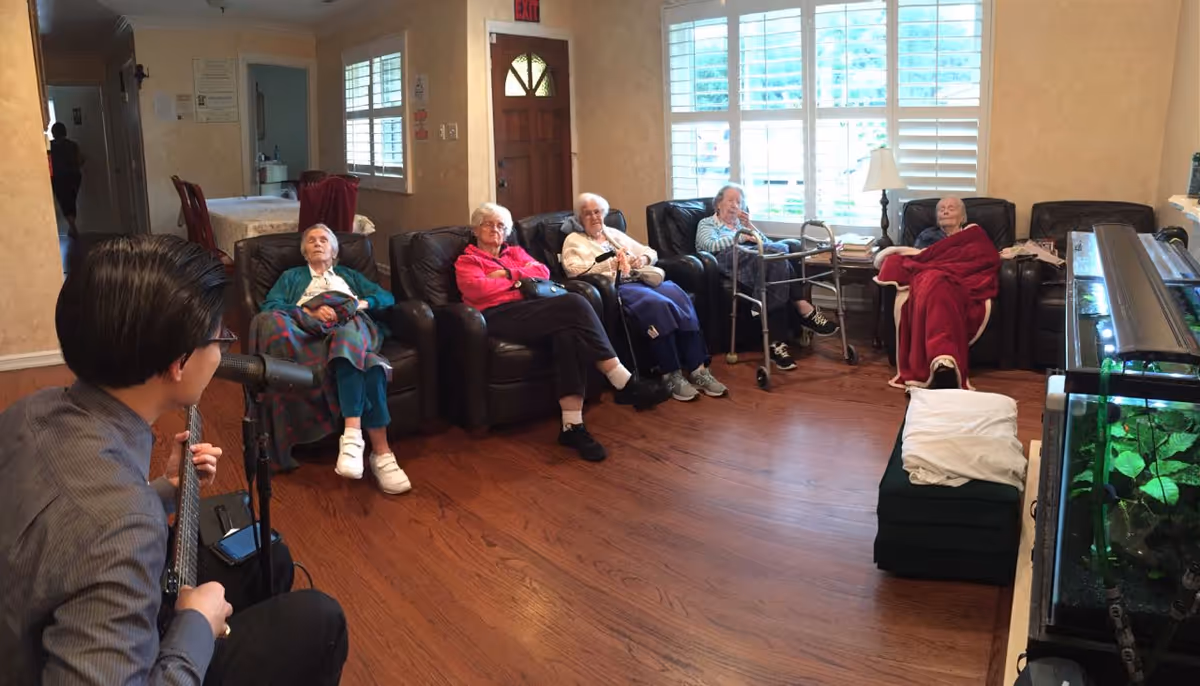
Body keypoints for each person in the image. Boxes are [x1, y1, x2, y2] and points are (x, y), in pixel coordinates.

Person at [0, 234, 348, 684]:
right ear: (178, 363)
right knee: (320, 619)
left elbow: (63, 531)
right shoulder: (122, 527)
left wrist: (163, 490)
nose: (223, 349)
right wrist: (195, 627)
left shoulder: (31, 410)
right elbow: (101, 532)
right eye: (219, 335)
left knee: (271, 558)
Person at [455, 202, 663, 462]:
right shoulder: (468, 260)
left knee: (567, 334)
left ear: (507, 231)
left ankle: (572, 426)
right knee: (574, 302)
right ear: (476, 229)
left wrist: (507, 275)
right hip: (495, 317)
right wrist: (521, 282)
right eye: (488, 224)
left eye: (500, 225)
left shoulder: (515, 252)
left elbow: (542, 273)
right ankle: (622, 379)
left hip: (531, 310)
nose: (495, 230)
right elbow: (478, 290)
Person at [256, 224, 410, 494]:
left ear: (334, 250)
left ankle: (352, 436)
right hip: (312, 335)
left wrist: (357, 304)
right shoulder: (291, 277)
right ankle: (382, 455)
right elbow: (270, 308)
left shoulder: (347, 275)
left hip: (354, 327)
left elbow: (385, 297)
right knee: (371, 365)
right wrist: (309, 311)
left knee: (347, 335)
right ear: (304, 252)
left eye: (324, 240)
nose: (317, 243)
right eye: (311, 240)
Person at [561, 192, 727, 402]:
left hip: (641, 279)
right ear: (579, 218)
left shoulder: (613, 233)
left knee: (679, 296)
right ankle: (671, 375)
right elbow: (573, 270)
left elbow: (651, 252)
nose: (594, 217)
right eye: (587, 214)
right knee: (658, 305)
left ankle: (698, 370)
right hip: (618, 286)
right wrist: (611, 263)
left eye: (597, 212)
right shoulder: (574, 240)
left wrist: (641, 259)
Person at [695, 183, 838, 371]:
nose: (735, 205)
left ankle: (776, 344)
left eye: (738, 202)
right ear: (718, 204)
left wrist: (749, 226)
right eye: (730, 200)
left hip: (756, 262)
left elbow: (767, 244)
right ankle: (804, 308)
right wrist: (740, 237)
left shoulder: (741, 225)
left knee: (775, 268)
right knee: (778, 255)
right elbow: (709, 246)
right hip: (728, 259)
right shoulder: (707, 223)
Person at [49, 122, 85, 239]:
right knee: (71, 202)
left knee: (65, 203)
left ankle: (73, 228)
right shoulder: (73, 145)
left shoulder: (50, 146)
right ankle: (72, 228)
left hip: (59, 178)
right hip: (74, 177)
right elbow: (80, 160)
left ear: (54, 133)